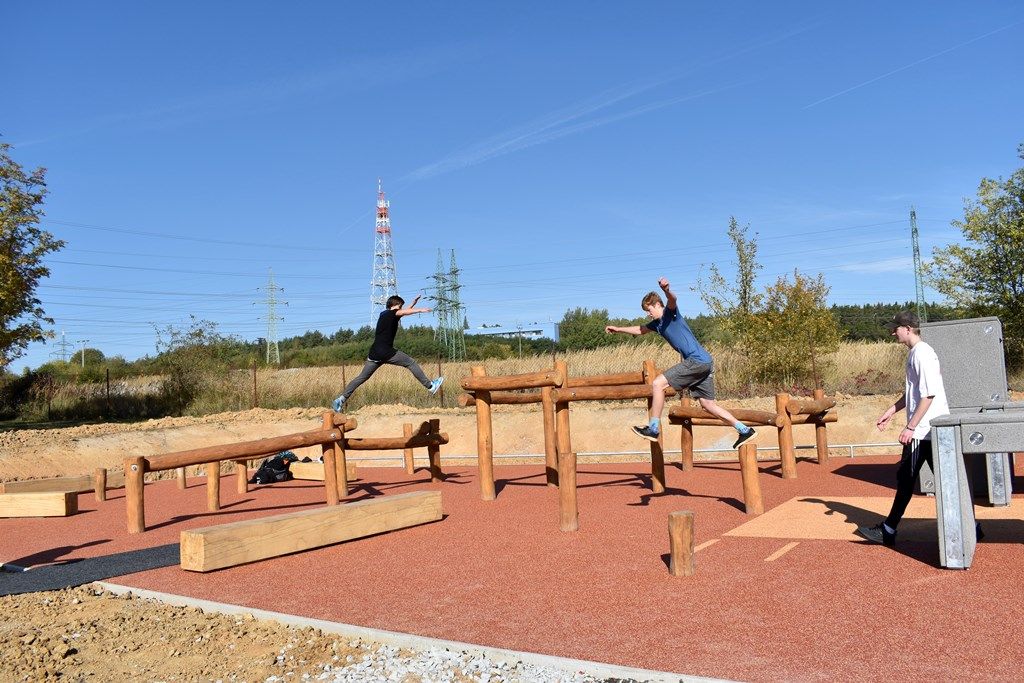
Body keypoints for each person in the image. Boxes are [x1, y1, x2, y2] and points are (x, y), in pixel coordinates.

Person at [605, 276, 755, 448]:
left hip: (696, 361)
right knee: (708, 404)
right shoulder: (657, 324)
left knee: (658, 383)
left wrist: (666, 289)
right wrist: (618, 329)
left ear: (657, 305)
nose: (648, 314)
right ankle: (744, 430)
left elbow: (673, 299)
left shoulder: (671, 314)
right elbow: (640, 329)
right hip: (705, 362)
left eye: (649, 310)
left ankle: (653, 428)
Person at [857, 311, 950, 547]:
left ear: (907, 328)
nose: (892, 332)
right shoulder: (915, 353)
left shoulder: (923, 354)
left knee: (907, 479)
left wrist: (910, 427)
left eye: (895, 328)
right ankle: (974, 527)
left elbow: (928, 395)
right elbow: (914, 394)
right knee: (940, 481)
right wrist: (891, 410)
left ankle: (888, 530)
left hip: (924, 432)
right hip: (925, 431)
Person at [332, 294, 444, 411]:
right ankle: (431, 386)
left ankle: (340, 400)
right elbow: (403, 312)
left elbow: (402, 312)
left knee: (362, 377)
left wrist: (413, 303)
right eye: (400, 306)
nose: (401, 309)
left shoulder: (384, 314)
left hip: (374, 353)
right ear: (395, 305)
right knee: (410, 363)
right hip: (386, 352)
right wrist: (420, 309)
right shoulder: (393, 313)